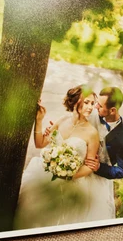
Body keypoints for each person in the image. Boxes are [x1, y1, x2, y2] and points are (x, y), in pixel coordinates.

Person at [13, 85, 115, 230]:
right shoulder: (62, 121)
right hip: (47, 176)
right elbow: (40, 143)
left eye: (92, 103)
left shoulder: (92, 133)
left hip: (73, 182)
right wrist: (39, 120)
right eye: (86, 102)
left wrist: (68, 175)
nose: (90, 107)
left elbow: (90, 166)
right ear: (74, 101)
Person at [83, 86, 123, 181]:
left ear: (112, 110)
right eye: (97, 102)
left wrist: (99, 167)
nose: (96, 106)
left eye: (100, 106)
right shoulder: (91, 113)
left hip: (97, 179)